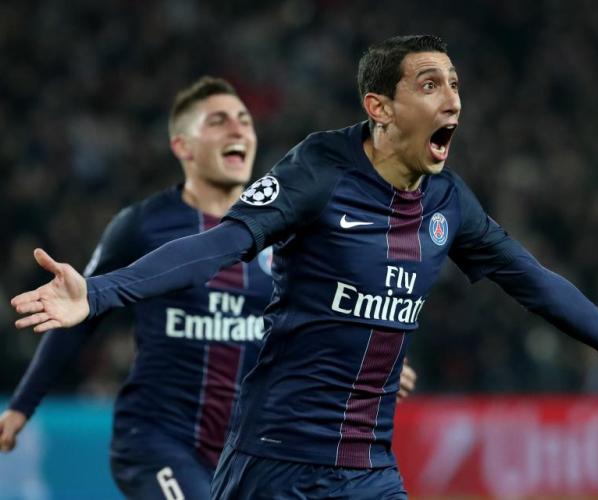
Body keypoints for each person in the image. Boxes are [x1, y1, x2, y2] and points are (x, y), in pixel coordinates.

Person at [11, 35, 598, 499]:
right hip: (274, 462)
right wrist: (100, 292)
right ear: (379, 107)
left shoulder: (448, 202)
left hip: (369, 469)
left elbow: (533, 283)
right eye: (431, 84)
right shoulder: (319, 170)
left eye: (455, 84)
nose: (453, 99)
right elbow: (222, 244)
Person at [1, 75, 417, 499]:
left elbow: (320, 314)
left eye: (244, 121)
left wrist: (366, 356)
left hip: (249, 451)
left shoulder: (289, 227)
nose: (238, 130)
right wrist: (21, 406)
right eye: (219, 121)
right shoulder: (142, 225)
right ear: (184, 146)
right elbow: (81, 316)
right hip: (158, 441)